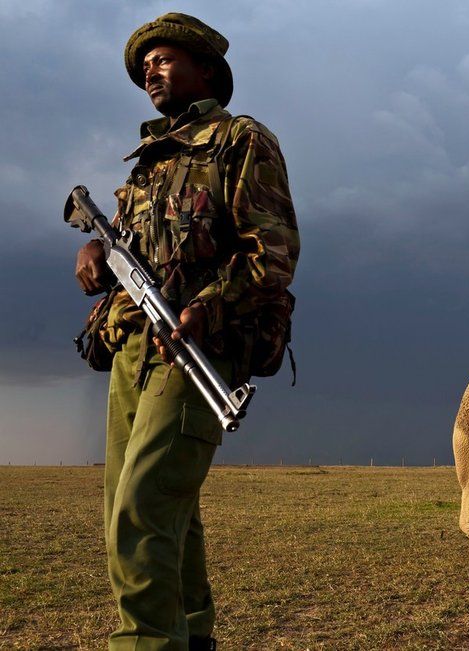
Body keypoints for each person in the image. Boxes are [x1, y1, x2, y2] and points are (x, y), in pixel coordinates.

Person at [73, 13, 300, 649]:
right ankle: (193, 637)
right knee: (161, 509)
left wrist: (207, 305)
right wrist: (95, 253)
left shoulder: (239, 139)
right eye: (146, 65)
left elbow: (273, 251)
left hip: (199, 344)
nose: (151, 70)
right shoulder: (146, 165)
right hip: (131, 347)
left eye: (165, 59)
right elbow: (128, 250)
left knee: (143, 508)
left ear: (206, 70)